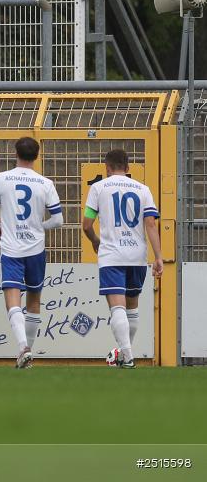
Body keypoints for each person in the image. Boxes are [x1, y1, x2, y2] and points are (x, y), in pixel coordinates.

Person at [0, 137, 64, 369]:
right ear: (37, 156)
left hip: (11, 248)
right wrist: (40, 227)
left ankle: (23, 348)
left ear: (15, 154)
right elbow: (58, 220)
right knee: (34, 300)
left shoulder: (1, 178)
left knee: (12, 301)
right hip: (36, 248)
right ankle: (27, 353)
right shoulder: (45, 183)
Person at [82, 149, 163, 369]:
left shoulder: (98, 188)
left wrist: (95, 241)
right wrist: (158, 257)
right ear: (128, 168)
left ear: (107, 168)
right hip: (137, 256)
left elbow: (87, 224)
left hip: (112, 256)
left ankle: (127, 356)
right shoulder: (143, 190)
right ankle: (126, 353)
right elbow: (150, 224)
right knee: (132, 308)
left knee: (117, 308)